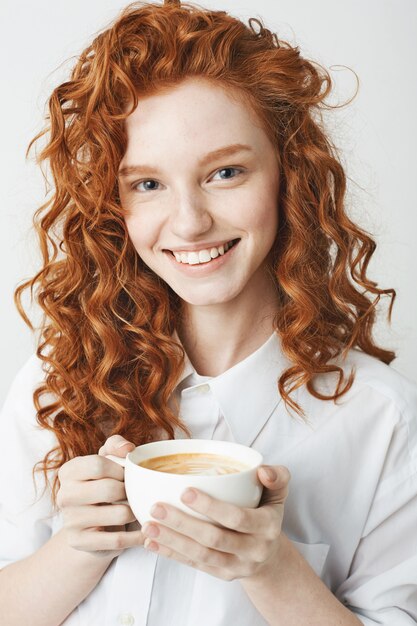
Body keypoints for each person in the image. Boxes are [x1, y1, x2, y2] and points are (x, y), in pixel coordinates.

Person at [0, 0, 416, 624]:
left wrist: (271, 567)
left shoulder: (382, 420)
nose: (190, 222)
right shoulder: (54, 383)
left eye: (225, 172)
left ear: (289, 178)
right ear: (113, 204)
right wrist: (76, 547)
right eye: (147, 184)